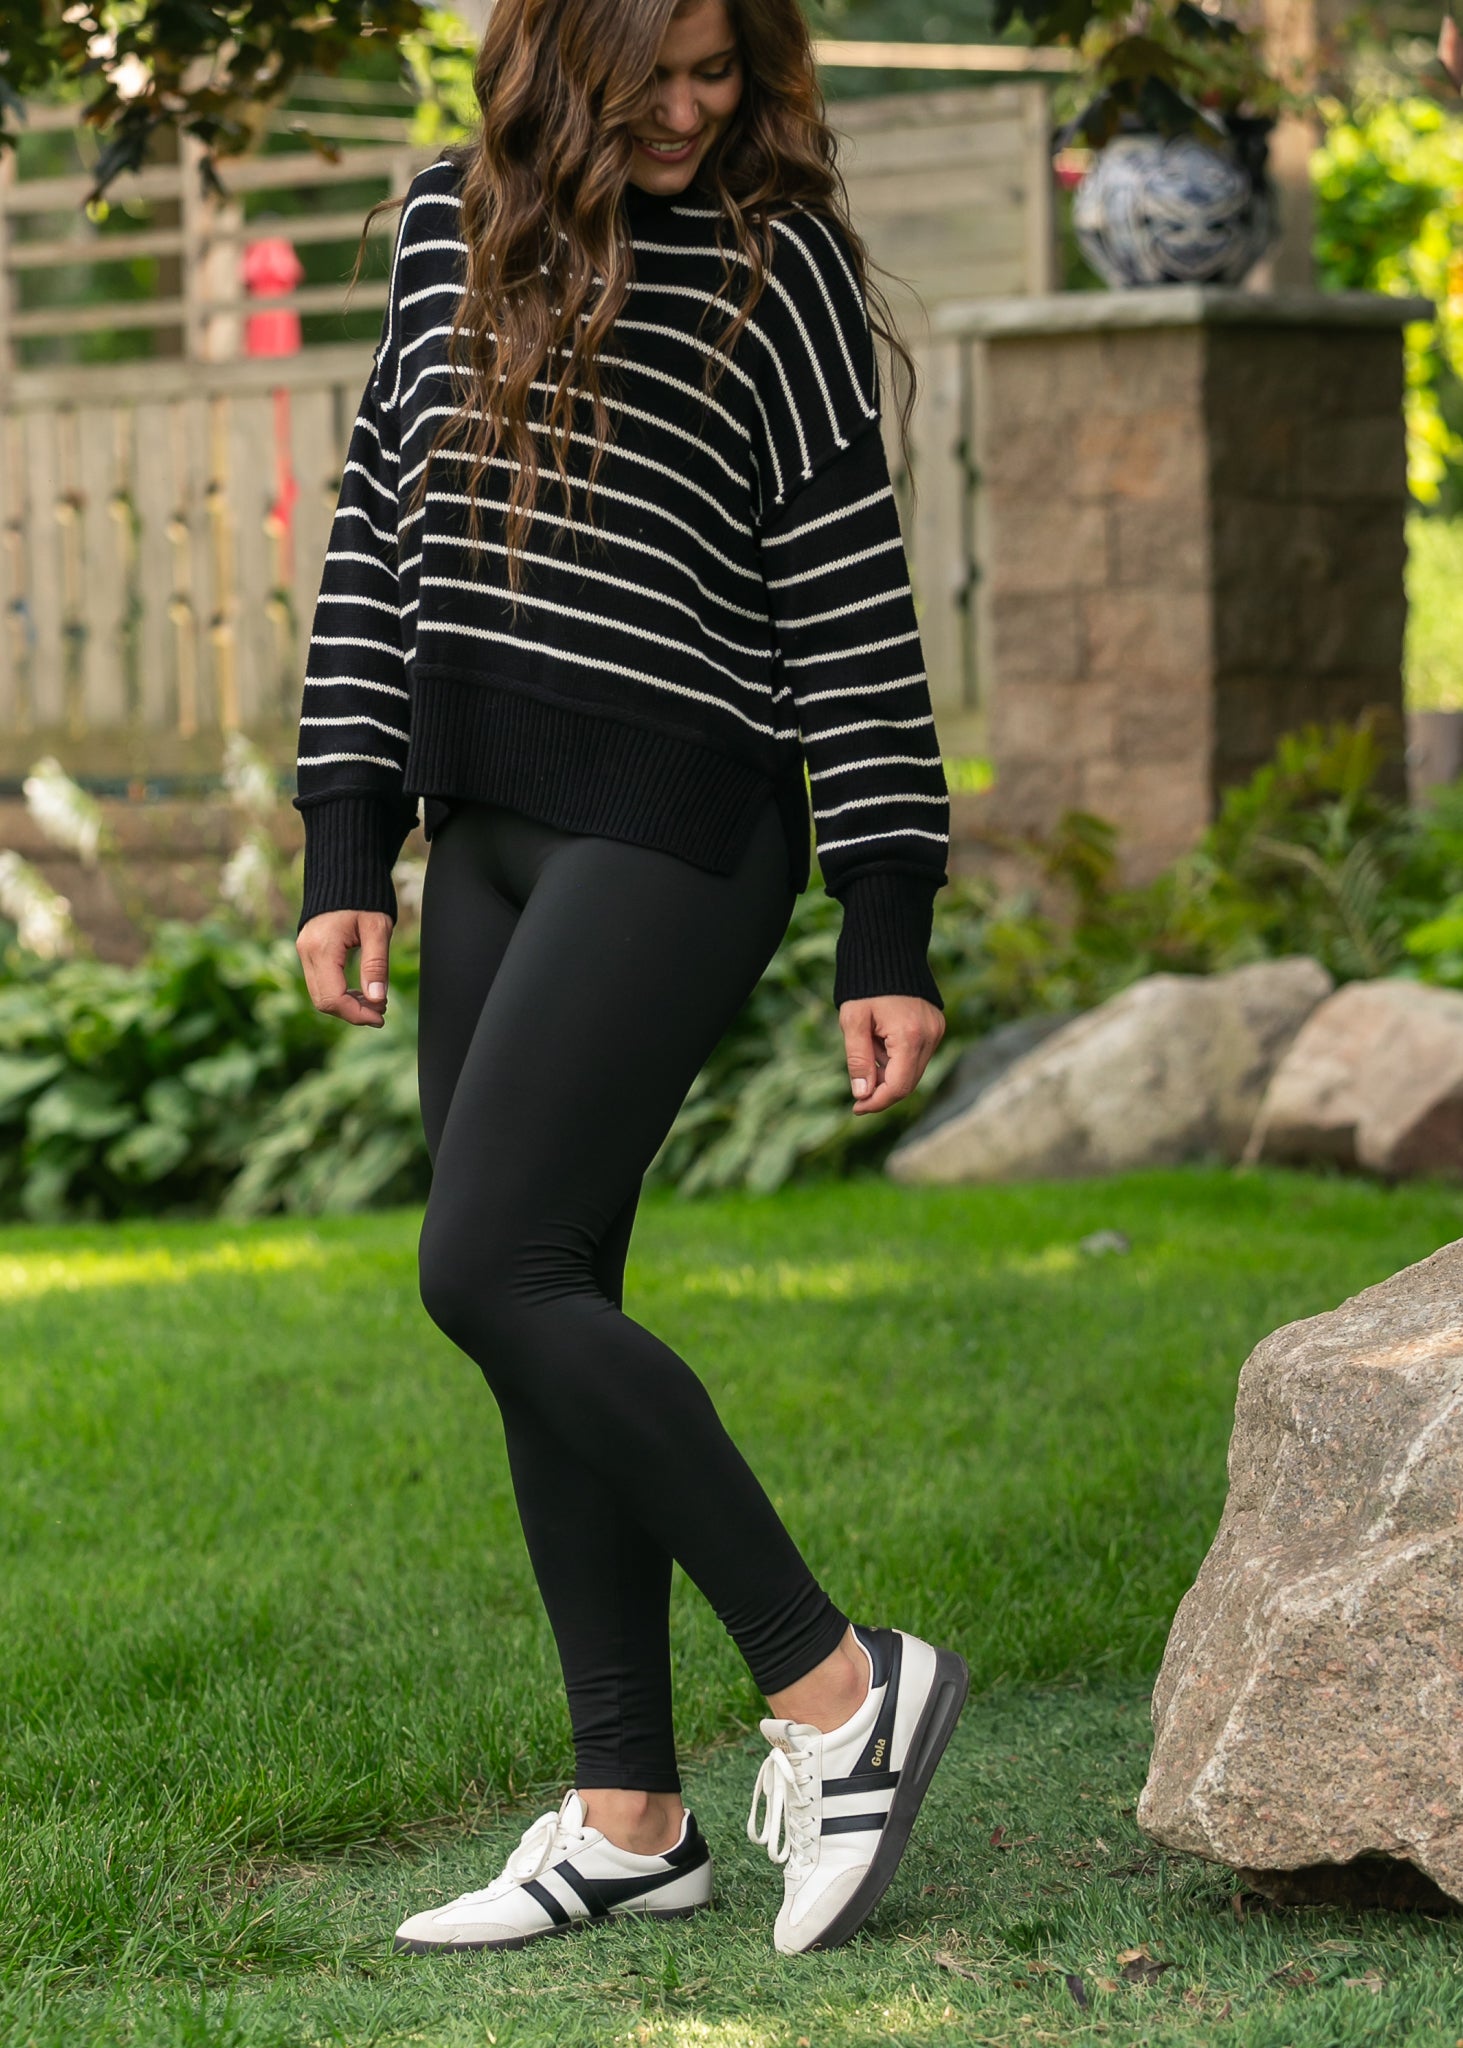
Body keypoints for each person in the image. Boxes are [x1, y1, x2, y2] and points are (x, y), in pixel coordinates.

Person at [293, 0, 967, 1960]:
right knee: (543, 1296)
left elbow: (850, 594)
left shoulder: (778, 264)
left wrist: (887, 914)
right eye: (650, 72)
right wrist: (346, 833)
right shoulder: (446, 225)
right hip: (486, 821)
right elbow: (379, 530)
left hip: (686, 815)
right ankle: (629, 1817)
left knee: (484, 1266)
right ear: (561, 59)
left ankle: (837, 1685)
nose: (687, 109)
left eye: (719, 71)